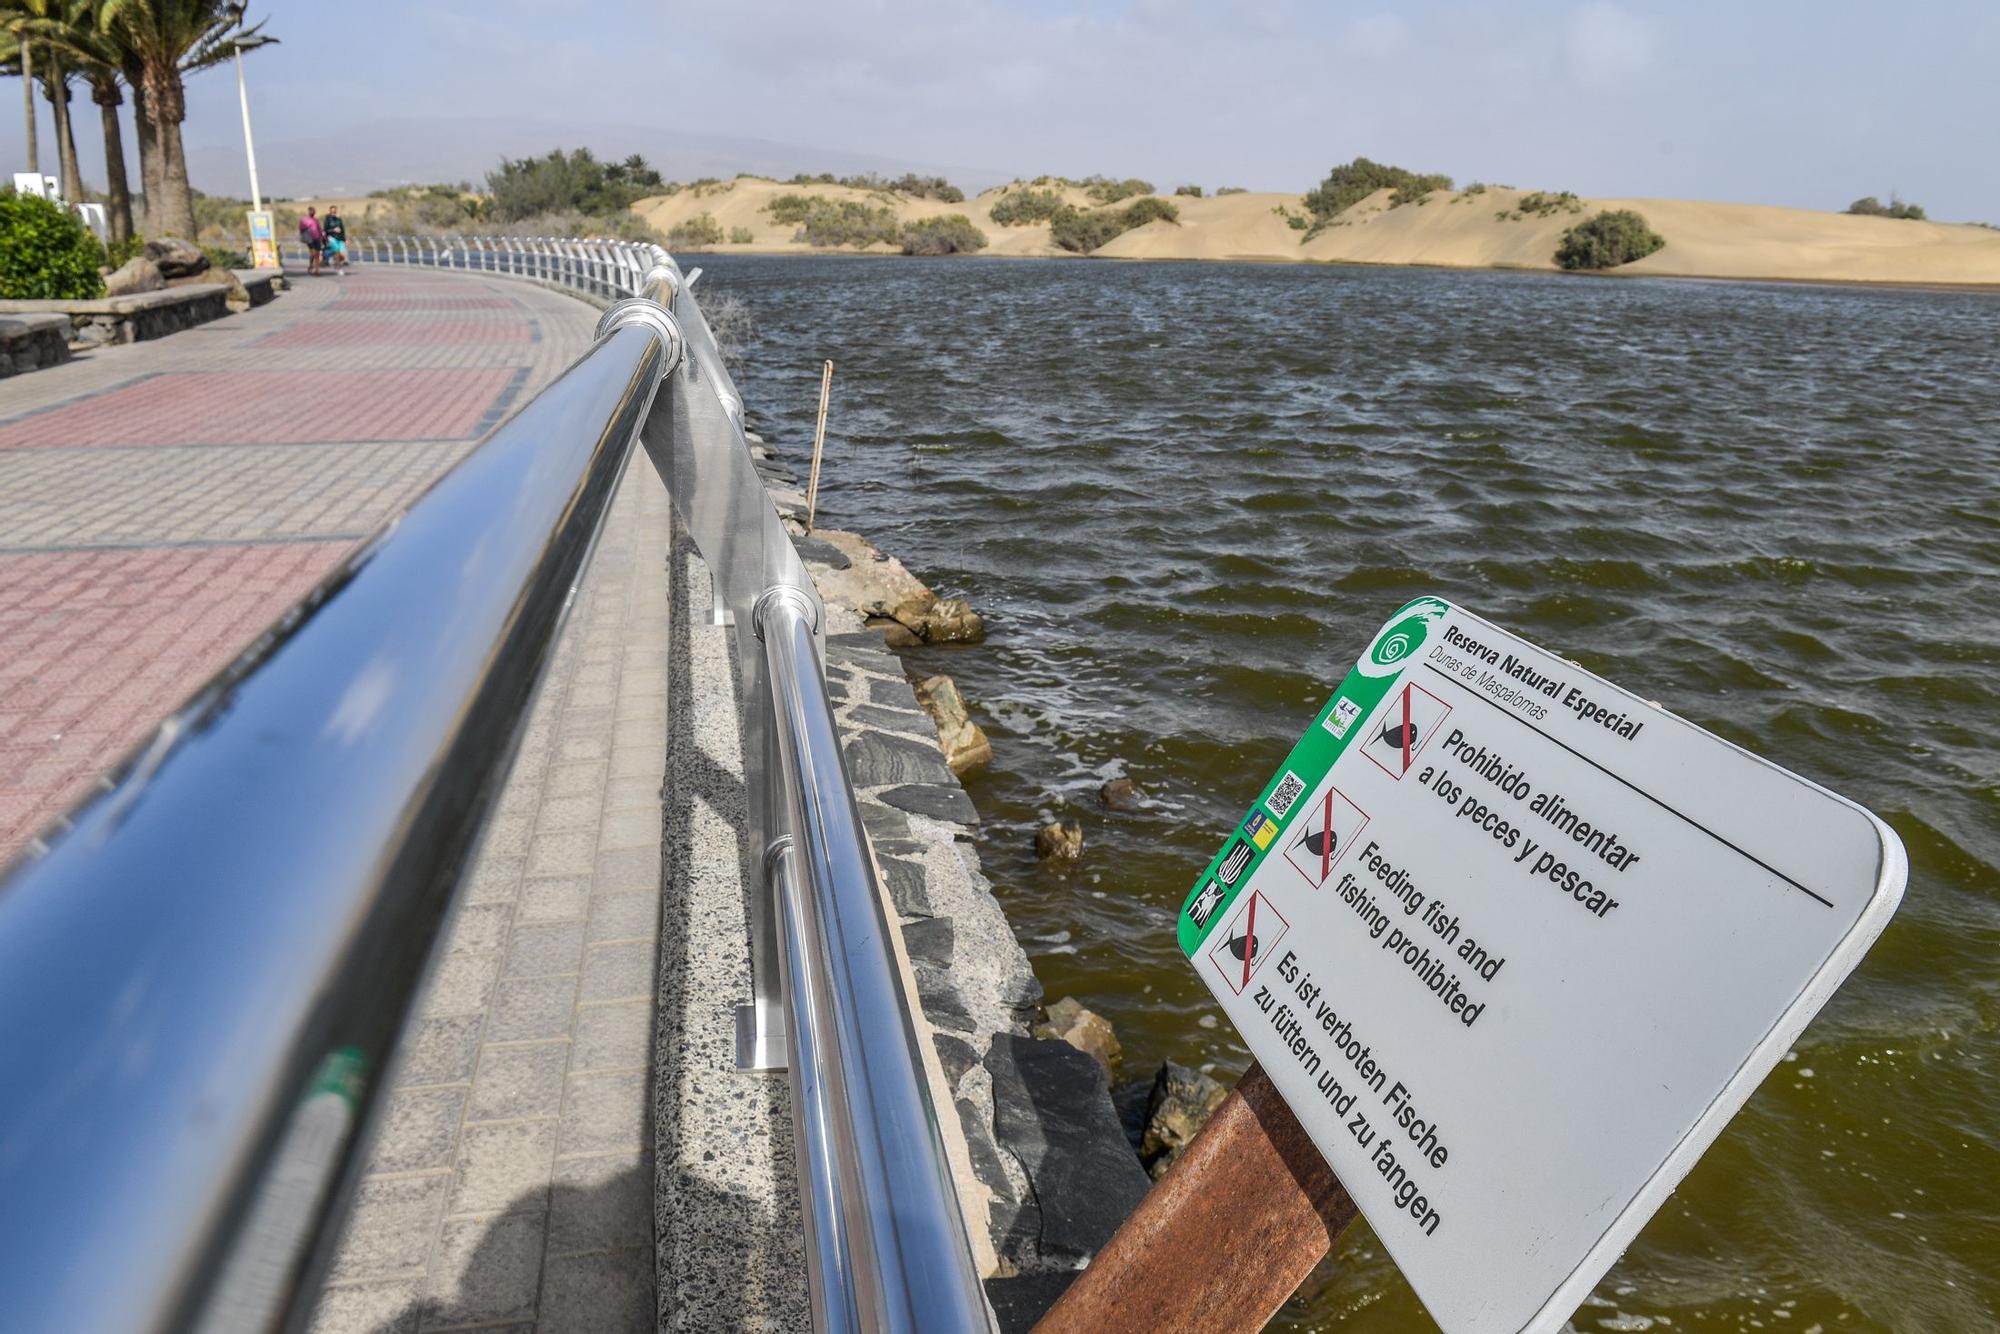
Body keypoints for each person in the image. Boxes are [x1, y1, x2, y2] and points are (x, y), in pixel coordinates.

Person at [323, 206, 349, 276]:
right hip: (332, 238)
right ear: (330, 211)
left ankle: (335, 262)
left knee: (342, 255)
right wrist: (333, 230)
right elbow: (325, 230)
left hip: (340, 238)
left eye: (334, 211)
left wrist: (345, 239)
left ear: (336, 211)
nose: (333, 212)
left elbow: (343, 230)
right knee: (337, 252)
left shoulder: (339, 219)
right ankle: (339, 269)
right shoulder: (327, 220)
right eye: (332, 211)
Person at [298, 206, 324, 276]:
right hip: (309, 238)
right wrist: (307, 226)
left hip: (317, 238)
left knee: (317, 254)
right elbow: (301, 228)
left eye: (314, 211)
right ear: (309, 211)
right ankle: (311, 265)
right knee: (313, 253)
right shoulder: (304, 220)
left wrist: (323, 237)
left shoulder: (316, 220)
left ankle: (317, 270)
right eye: (311, 211)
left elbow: (319, 229)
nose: (313, 212)